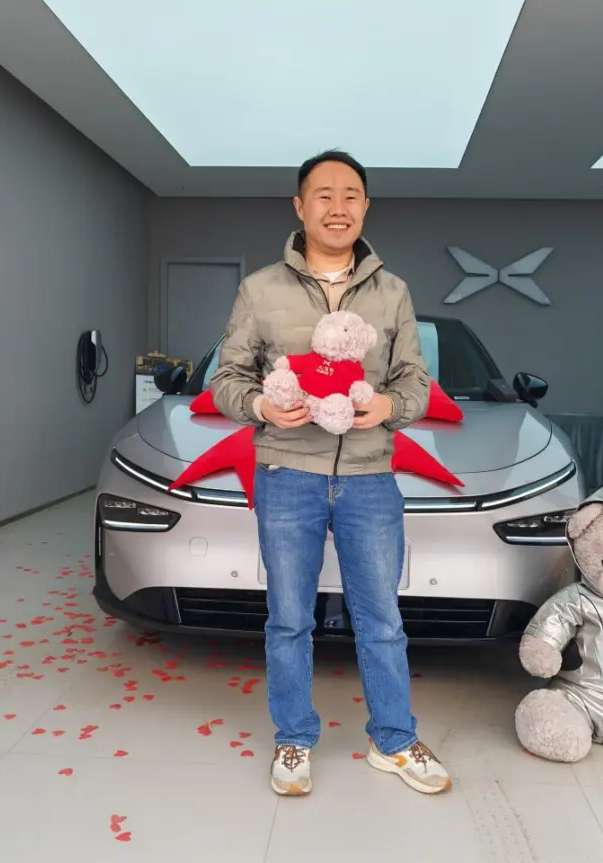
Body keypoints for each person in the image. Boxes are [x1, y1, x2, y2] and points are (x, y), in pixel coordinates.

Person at [209, 149, 451, 797]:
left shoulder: (393, 292)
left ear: (365, 207)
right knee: (289, 618)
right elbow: (227, 378)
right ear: (300, 207)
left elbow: (415, 383)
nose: (337, 207)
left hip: (370, 478)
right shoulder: (260, 289)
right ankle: (293, 737)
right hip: (288, 474)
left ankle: (392, 740)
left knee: (382, 620)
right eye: (324, 195)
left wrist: (388, 407)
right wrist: (262, 406)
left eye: (350, 196)